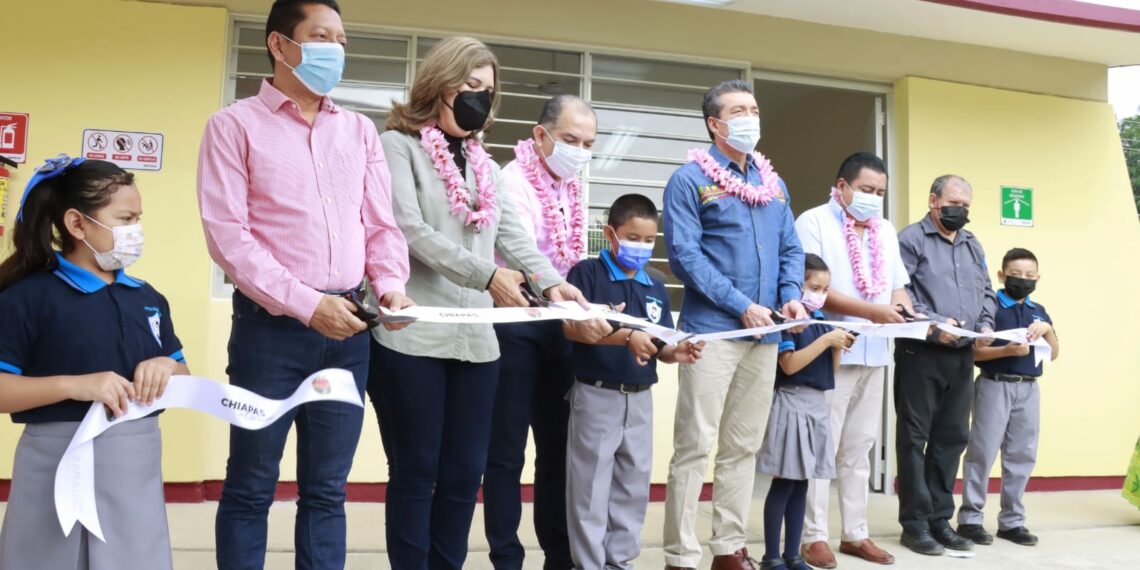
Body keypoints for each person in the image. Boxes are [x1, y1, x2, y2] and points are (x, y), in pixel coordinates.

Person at [196, 1, 413, 568]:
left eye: (341, 39)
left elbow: (381, 225)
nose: (334, 50)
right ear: (280, 45)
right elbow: (229, 239)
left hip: (349, 332)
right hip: (270, 331)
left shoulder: (359, 131)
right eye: (320, 36)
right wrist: (306, 304)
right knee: (250, 485)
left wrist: (389, 287)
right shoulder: (233, 126)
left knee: (326, 490)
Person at [366, 36, 589, 569]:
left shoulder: (485, 164)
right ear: (439, 84)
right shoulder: (397, 146)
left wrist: (552, 283)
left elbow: (512, 233)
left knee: (466, 472)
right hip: (413, 336)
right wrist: (486, 274)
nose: (480, 100)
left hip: (478, 345)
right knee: (419, 469)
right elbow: (407, 227)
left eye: (489, 91)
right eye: (470, 87)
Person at [0, 157, 189, 570]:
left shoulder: (147, 297)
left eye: (138, 218)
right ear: (77, 224)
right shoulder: (27, 298)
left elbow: (184, 374)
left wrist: (167, 367)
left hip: (134, 467)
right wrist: (75, 386)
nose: (135, 231)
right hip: (54, 464)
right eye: (125, 218)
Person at [662, 79, 806, 570]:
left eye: (754, 108)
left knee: (742, 447)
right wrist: (741, 304)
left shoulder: (774, 183)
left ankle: (728, 548)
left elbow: (790, 249)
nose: (751, 117)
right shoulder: (688, 180)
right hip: (713, 331)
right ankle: (681, 555)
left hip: (765, 336)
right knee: (694, 446)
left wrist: (789, 298)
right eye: (739, 110)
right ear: (715, 124)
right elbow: (684, 256)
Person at [483, 94, 596, 570]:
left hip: (560, 326)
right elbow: (523, 254)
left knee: (557, 451)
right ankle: (506, 557)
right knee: (506, 453)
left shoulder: (574, 185)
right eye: (571, 140)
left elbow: (572, 255)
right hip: (517, 323)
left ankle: (559, 555)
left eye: (588, 143)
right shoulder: (511, 179)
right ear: (541, 135)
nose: (580, 150)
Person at [562, 194, 705, 570]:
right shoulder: (586, 274)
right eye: (632, 237)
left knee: (632, 487)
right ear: (611, 233)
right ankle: (588, 564)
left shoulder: (655, 284)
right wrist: (623, 335)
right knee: (590, 489)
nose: (640, 247)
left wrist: (679, 352)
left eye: (648, 240)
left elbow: (661, 345)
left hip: (640, 399)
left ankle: (619, 562)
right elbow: (572, 329)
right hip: (596, 394)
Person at [793, 153, 911, 568]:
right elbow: (812, 289)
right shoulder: (813, 222)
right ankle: (813, 535)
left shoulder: (885, 230)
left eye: (880, 192)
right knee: (822, 445)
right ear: (841, 186)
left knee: (859, 447)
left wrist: (900, 309)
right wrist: (869, 311)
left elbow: (898, 286)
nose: (873, 199)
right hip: (830, 350)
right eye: (865, 190)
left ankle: (856, 533)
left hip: (876, 352)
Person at [895, 174, 996, 556]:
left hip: (962, 355)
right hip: (921, 352)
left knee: (951, 438)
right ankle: (915, 523)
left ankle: (940, 519)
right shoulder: (911, 239)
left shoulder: (972, 244)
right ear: (934, 200)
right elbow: (900, 294)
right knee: (915, 437)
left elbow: (986, 290)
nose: (962, 211)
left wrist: (985, 324)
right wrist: (935, 323)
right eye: (955, 202)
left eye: (967, 205)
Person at [956, 247, 1059, 547]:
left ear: (1038, 278)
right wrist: (1007, 350)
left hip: (1029, 388)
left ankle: (1012, 521)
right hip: (994, 384)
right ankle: (971, 518)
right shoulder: (990, 309)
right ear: (1001, 276)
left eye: (1029, 276)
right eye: (1015, 275)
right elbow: (975, 352)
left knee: (1022, 455)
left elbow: (1053, 353)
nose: (1022, 280)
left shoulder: (1039, 312)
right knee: (982, 452)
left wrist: (1048, 330)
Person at [756, 254, 854, 570]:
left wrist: (837, 345)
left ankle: (793, 554)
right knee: (785, 481)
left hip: (816, 405)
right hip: (791, 402)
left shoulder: (823, 319)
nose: (819, 295)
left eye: (825, 289)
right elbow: (790, 364)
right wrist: (826, 340)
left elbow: (831, 372)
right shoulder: (790, 320)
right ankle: (772, 556)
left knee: (803, 483)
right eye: (813, 287)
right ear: (797, 286)